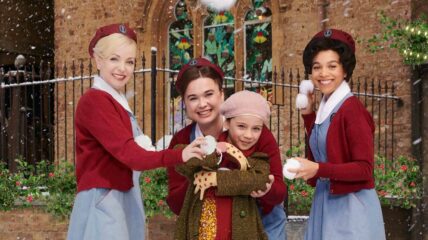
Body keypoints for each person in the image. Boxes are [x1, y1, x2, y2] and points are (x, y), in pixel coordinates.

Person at [66, 23, 204, 240]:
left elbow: (137, 152)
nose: (122, 68)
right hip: (104, 198)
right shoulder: (95, 101)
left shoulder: (115, 100)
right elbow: (130, 154)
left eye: (129, 62)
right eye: (114, 59)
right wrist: (181, 154)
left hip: (120, 195)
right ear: (98, 60)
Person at [167, 57, 287, 240]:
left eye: (209, 94)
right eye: (193, 98)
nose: (202, 104)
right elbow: (176, 204)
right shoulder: (181, 141)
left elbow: (277, 191)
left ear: (221, 94)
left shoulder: (252, 131)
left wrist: (221, 179)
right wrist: (197, 175)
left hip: (262, 225)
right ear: (184, 101)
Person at [290, 28, 386, 240]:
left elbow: (364, 169)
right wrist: (308, 116)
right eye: (317, 67)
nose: (323, 74)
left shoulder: (352, 110)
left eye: (332, 66)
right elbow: (320, 158)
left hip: (351, 211)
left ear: (345, 70)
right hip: (326, 203)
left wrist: (318, 168)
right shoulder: (326, 109)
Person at [174, 90, 274, 239]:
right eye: (241, 126)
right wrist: (216, 152)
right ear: (227, 123)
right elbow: (180, 159)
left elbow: (257, 179)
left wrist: (216, 179)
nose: (248, 135)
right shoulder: (211, 149)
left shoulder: (258, 159)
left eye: (256, 129)